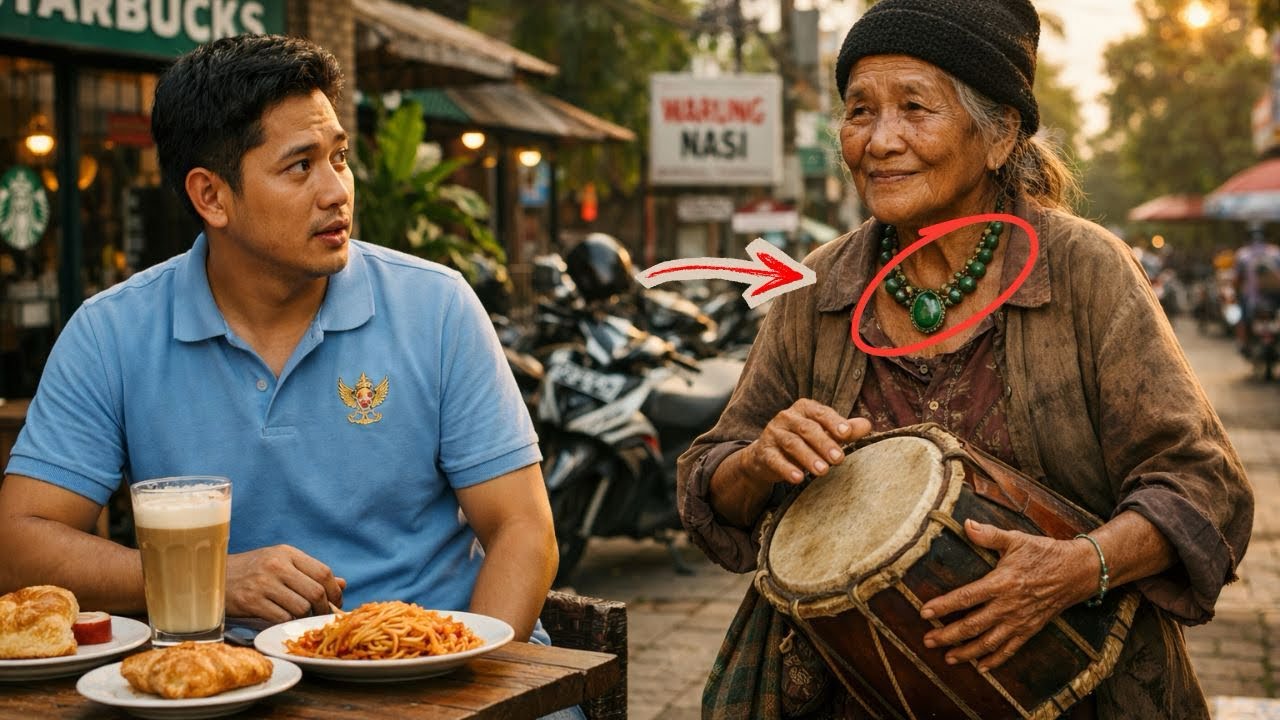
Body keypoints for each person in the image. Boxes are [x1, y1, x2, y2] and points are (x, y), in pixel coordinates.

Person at [676, 1, 1253, 718]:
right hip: (845, 693)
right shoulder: (818, 289)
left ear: (1000, 134)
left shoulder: (1084, 270)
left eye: (915, 108)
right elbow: (712, 480)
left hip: (1074, 689)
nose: (880, 140)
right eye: (860, 111)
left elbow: (1203, 487)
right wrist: (759, 459)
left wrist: (1077, 567)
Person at [0, 35, 558, 649]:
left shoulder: (436, 307)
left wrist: (473, 684)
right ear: (211, 196)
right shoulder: (113, 333)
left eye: (339, 158)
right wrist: (210, 578)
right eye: (300, 166)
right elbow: (19, 543)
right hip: (236, 687)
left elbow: (523, 529)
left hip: (434, 663)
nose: (337, 191)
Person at [1233, 224, 1280, 348]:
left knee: (1241, 317)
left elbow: (1237, 279)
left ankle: (1242, 343)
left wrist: (1236, 293)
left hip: (1251, 299)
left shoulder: (1242, 254)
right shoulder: (1275, 252)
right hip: (1275, 299)